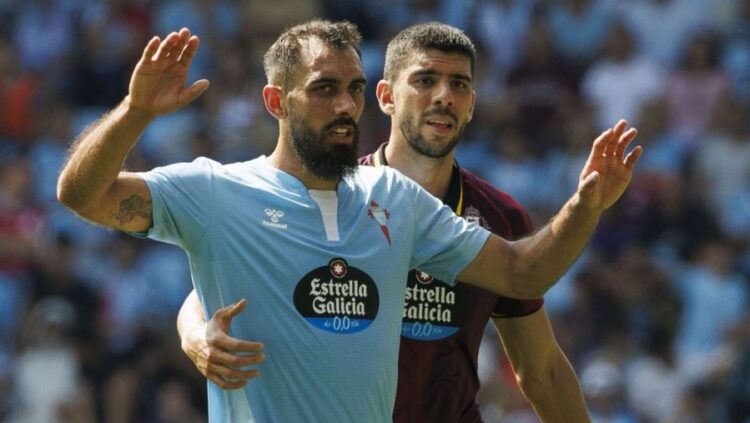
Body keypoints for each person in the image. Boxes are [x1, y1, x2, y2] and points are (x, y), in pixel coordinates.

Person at [57, 20, 640, 422]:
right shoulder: (217, 190)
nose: (344, 106)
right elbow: (88, 199)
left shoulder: (394, 199)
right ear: (275, 101)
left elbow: (522, 280)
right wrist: (135, 113)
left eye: (352, 90)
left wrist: (587, 204)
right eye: (325, 89)